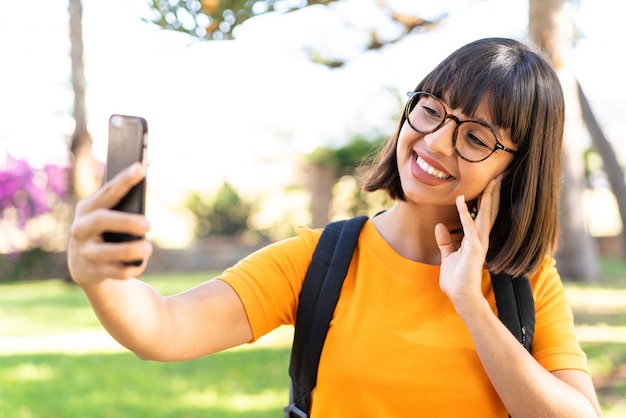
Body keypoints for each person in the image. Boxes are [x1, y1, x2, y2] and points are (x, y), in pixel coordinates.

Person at [68, 37, 603, 417]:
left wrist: (470, 302)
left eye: (476, 137)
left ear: (517, 168)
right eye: (432, 110)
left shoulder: (524, 281)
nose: (437, 142)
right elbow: (163, 328)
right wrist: (100, 276)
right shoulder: (321, 260)